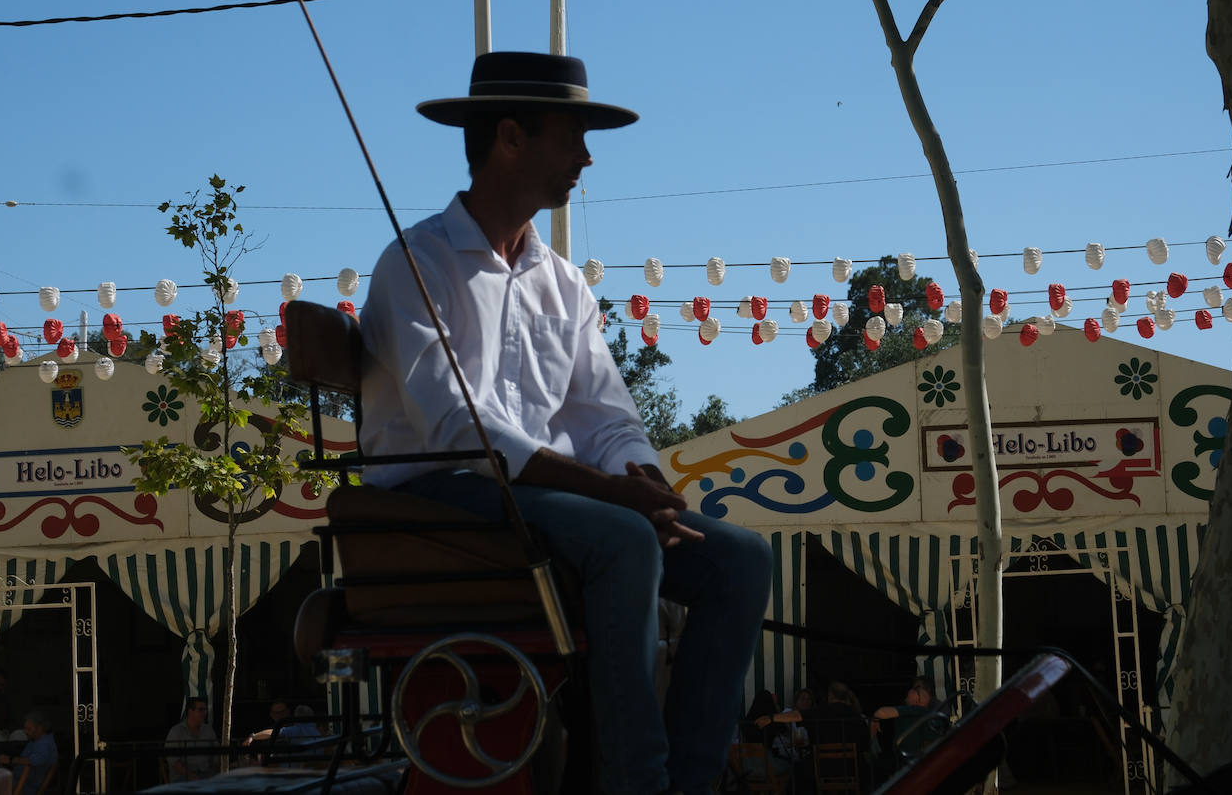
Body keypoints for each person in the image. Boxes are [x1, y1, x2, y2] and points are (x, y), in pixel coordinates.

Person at [359, 50, 773, 795]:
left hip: (543, 507)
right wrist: (614, 500)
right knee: (619, 538)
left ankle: (691, 780)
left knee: (739, 558)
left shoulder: (563, 283)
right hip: (434, 501)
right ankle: (633, 782)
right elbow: (457, 428)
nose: (586, 158)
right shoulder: (415, 262)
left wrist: (645, 481)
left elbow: (605, 415)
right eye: (573, 137)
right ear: (511, 138)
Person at [873, 677, 944, 764]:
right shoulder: (919, 710)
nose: (912, 690)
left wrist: (875, 719)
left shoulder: (916, 710)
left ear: (919, 699)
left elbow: (880, 712)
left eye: (916, 689)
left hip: (913, 760)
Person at [0, 710, 56, 794]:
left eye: (29, 729)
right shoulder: (36, 741)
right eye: (25, 728)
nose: (25, 732)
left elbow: (34, 761)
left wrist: (10, 759)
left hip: (25, 787)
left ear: (39, 729)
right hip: (20, 781)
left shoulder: (45, 744)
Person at [165, 696, 219, 781]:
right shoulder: (176, 731)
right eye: (200, 710)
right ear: (190, 711)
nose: (204, 713)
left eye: (205, 709)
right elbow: (173, 760)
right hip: (182, 777)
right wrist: (190, 775)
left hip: (206, 775)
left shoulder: (208, 730)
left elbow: (216, 755)